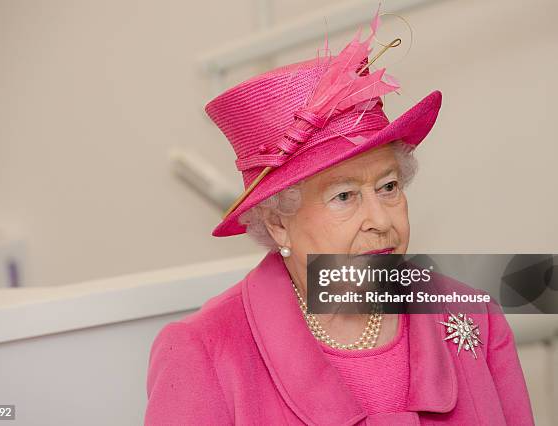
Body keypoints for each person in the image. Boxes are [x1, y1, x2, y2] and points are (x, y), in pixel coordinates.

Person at [144, 7, 534, 425]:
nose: (380, 220)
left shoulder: (475, 314)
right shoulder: (203, 349)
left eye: (388, 187)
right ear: (278, 222)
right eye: (344, 196)